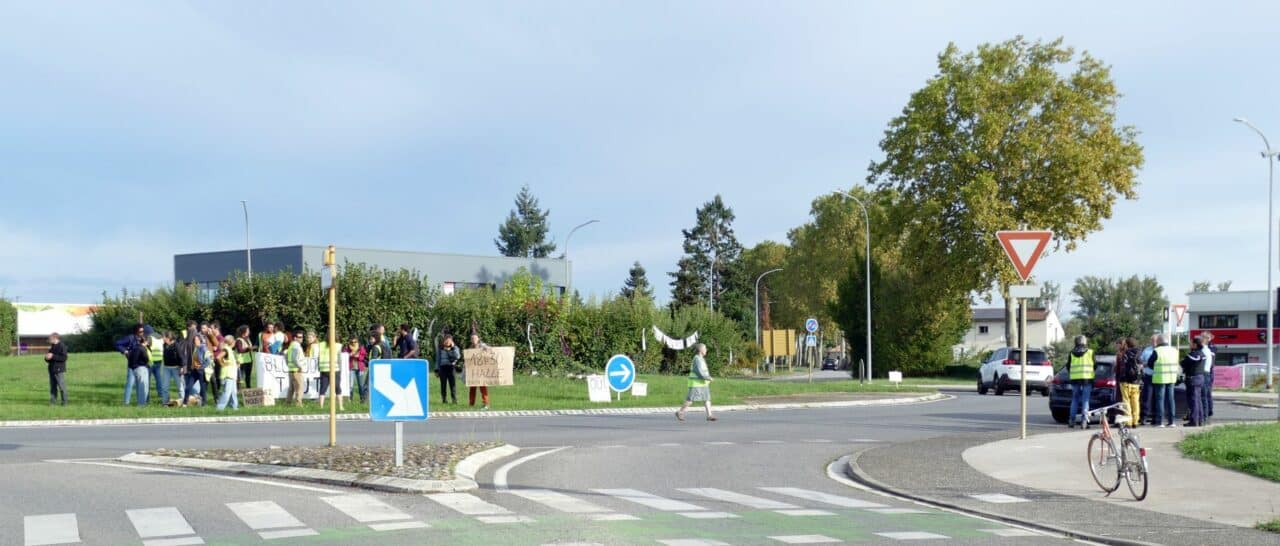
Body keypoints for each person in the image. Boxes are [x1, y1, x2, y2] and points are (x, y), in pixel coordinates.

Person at [677, 343, 717, 422]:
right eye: (705, 348)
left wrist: (707, 379)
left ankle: (709, 415)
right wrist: (708, 378)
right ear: (701, 350)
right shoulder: (697, 359)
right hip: (696, 383)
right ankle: (680, 412)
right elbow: (699, 371)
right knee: (690, 400)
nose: (706, 350)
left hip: (703, 383)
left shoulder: (701, 358)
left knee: (707, 398)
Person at [1147, 334, 1179, 428]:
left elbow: (1150, 363)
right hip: (1172, 377)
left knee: (1160, 400)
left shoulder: (1157, 350)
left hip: (1160, 377)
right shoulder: (1174, 350)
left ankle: (1159, 421)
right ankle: (1171, 421)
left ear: (1159, 341)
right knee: (1170, 399)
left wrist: (1156, 368)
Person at [1064, 335, 1095, 429]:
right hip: (1087, 378)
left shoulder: (1072, 353)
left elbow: (1068, 366)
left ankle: (1071, 421)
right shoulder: (1090, 352)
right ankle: (1084, 421)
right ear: (1085, 342)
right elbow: (1095, 365)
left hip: (1075, 379)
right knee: (1085, 400)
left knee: (1075, 399)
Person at [1116, 337, 1143, 427]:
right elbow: (1141, 366)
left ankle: (1128, 421)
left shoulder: (1125, 354)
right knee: (1135, 402)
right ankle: (1135, 421)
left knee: (1126, 401)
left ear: (1127, 344)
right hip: (1136, 382)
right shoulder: (1139, 353)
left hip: (1125, 382)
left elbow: (1123, 368)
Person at [312, 331, 343, 410]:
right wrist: (340, 368)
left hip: (324, 369)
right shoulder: (338, 345)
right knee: (337, 388)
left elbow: (316, 355)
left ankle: (321, 407)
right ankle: (340, 406)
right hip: (335, 369)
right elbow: (340, 359)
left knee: (323, 388)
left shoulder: (321, 345)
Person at [1181, 337, 1206, 427]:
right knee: (1198, 400)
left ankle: (1194, 421)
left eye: (1191, 343)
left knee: (1193, 401)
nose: (1190, 345)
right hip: (1200, 377)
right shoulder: (1202, 354)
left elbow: (1183, 363)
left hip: (1193, 378)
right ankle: (1200, 420)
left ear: (1195, 344)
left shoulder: (1193, 355)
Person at [186, 333, 212, 406]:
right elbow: (195, 359)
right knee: (188, 386)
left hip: (201, 371)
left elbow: (208, 360)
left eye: (197, 340)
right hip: (195, 370)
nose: (195, 341)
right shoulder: (196, 348)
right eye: (194, 340)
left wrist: (201, 367)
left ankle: (204, 404)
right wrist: (193, 365)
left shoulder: (203, 347)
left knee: (203, 388)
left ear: (200, 340)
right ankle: (185, 402)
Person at [216, 335, 240, 411]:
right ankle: (219, 408)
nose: (235, 342)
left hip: (231, 375)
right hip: (227, 375)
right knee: (227, 392)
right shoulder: (226, 349)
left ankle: (234, 407)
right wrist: (223, 364)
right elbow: (218, 357)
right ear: (231, 341)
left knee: (233, 392)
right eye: (233, 340)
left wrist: (236, 363)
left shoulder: (229, 349)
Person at [468, 333, 490, 410]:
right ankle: (471, 404)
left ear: (478, 339)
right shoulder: (470, 347)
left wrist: (486, 349)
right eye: (472, 338)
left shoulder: (482, 345)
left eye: (475, 338)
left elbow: (490, 350)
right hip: (473, 371)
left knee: (483, 388)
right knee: (472, 388)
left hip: (481, 371)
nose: (473, 340)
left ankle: (486, 404)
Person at [436, 335, 460, 404]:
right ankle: (444, 399)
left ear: (451, 341)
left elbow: (457, 356)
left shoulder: (455, 348)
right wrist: (437, 369)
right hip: (443, 368)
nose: (447, 342)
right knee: (443, 385)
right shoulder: (440, 348)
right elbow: (438, 359)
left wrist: (452, 348)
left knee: (452, 384)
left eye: (449, 340)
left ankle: (454, 399)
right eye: (446, 340)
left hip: (451, 367)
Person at [45, 332, 68, 405]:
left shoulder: (62, 346)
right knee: (52, 387)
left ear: (55, 338)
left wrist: (53, 356)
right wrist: (46, 358)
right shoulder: (52, 346)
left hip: (58, 369)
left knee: (61, 386)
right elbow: (49, 357)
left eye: (50, 339)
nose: (49, 340)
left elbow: (64, 358)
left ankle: (64, 402)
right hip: (51, 369)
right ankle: (53, 401)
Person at [1139, 335, 1157, 425]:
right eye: (1152, 341)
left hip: (1158, 376)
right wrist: (1144, 364)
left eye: (1155, 341)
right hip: (1148, 376)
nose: (1154, 342)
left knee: (1156, 398)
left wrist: (1147, 364)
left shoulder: (1160, 350)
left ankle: (1155, 417)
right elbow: (1141, 361)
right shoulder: (1147, 350)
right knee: (1147, 397)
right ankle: (1144, 417)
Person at [161, 331, 183, 406]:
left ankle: (183, 402)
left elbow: (181, 357)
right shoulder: (164, 345)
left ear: (168, 338)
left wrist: (181, 367)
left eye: (164, 337)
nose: (163, 339)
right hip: (166, 368)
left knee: (180, 386)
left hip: (176, 368)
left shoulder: (176, 345)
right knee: (165, 386)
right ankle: (165, 403)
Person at [344, 336, 368, 403]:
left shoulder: (361, 348)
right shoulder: (347, 348)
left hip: (359, 368)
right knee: (350, 385)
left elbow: (364, 356)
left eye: (355, 342)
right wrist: (349, 355)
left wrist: (358, 356)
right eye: (352, 342)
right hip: (351, 368)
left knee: (361, 384)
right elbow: (344, 356)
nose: (353, 343)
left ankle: (362, 399)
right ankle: (350, 399)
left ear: (357, 342)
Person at [286, 328, 306, 406]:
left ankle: (288, 403)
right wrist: (300, 366)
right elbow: (294, 358)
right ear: (295, 337)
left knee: (291, 388)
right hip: (296, 370)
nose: (301, 339)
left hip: (291, 369)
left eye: (302, 337)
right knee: (299, 387)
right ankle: (299, 403)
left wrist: (288, 364)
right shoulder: (296, 346)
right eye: (299, 337)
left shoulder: (291, 345)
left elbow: (286, 356)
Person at [1200, 333, 1215, 424]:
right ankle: (1207, 412)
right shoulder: (1205, 348)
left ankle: (1208, 412)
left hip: (1208, 371)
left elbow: (1212, 361)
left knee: (1206, 394)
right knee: (1206, 394)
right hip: (1207, 371)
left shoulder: (1211, 348)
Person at [149, 330, 165, 404]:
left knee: (147, 379)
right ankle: (161, 394)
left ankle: (146, 394)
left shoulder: (150, 338)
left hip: (151, 361)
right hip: (159, 360)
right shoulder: (160, 338)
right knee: (159, 378)